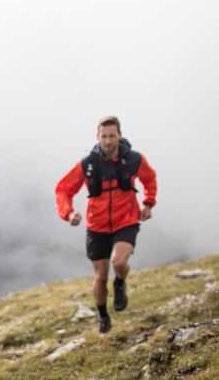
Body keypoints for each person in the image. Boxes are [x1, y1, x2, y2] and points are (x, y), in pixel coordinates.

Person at [55, 115, 158, 333]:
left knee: (118, 263)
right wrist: (69, 212)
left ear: (120, 136)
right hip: (97, 226)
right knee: (100, 277)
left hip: (126, 219)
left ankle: (120, 283)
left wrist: (148, 203)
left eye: (112, 136)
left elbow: (150, 178)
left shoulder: (134, 159)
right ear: (98, 137)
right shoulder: (88, 163)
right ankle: (103, 316)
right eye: (104, 136)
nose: (108, 141)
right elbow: (63, 189)